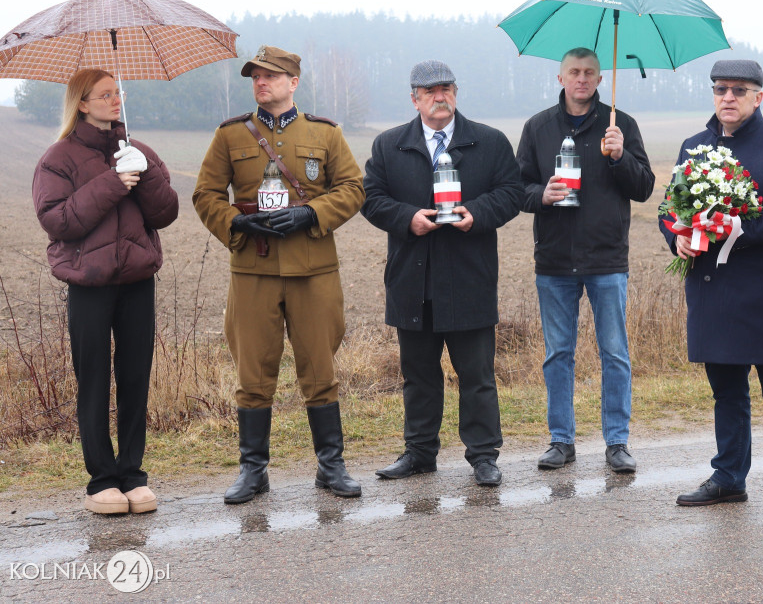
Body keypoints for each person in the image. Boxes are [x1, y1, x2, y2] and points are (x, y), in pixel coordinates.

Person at [193, 45, 365, 503]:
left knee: (320, 369)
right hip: (253, 268)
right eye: (255, 76)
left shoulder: (325, 134)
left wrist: (312, 214)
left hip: (314, 268)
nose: (261, 82)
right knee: (253, 374)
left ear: (293, 82)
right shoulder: (230, 136)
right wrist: (234, 223)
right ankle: (254, 472)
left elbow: (352, 188)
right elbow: (206, 193)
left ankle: (331, 467)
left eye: (271, 75)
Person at [662, 60, 763, 520]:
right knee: (726, 393)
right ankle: (729, 477)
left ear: (758, 97)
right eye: (720, 89)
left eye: (739, 90)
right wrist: (680, 235)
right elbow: (671, 209)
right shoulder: (695, 146)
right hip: (712, 290)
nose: (728, 97)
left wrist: (735, 227)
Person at [362, 60, 522, 487]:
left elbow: (511, 193)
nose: (440, 96)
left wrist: (479, 212)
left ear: (456, 92)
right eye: (429, 91)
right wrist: (407, 217)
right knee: (418, 375)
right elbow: (371, 198)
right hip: (411, 280)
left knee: (477, 376)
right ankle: (419, 453)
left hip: (469, 276)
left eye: (446, 88)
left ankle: (484, 456)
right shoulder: (389, 145)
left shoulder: (488, 142)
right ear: (414, 98)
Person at [32, 69, 178, 515]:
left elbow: (166, 212)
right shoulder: (58, 159)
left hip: (137, 282)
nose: (116, 100)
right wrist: (114, 182)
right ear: (82, 102)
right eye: (105, 94)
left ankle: (133, 475)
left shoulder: (138, 150)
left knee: (135, 378)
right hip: (89, 286)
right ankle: (102, 480)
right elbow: (58, 221)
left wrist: (145, 171)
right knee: (93, 381)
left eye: (119, 93)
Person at [517, 47, 654, 474]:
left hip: (607, 259)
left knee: (615, 353)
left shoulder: (620, 126)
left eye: (590, 73)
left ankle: (617, 443)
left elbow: (645, 187)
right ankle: (561, 441)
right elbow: (515, 189)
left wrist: (620, 156)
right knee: (559, 353)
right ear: (560, 78)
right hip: (555, 260)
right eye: (574, 72)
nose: (581, 79)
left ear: (600, 79)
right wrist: (541, 194)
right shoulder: (538, 127)